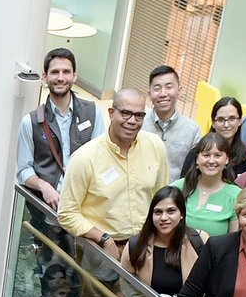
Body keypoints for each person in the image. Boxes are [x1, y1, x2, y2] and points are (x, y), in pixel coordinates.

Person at [58, 89, 168, 247]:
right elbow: (67, 213)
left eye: (139, 115)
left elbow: (161, 197)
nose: (132, 121)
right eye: (125, 113)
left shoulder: (155, 146)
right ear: (111, 113)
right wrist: (103, 239)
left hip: (145, 246)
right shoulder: (85, 158)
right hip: (101, 250)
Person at [15, 46, 99, 211]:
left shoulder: (93, 112)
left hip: (84, 209)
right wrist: (43, 186)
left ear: (74, 76)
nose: (61, 77)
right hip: (46, 209)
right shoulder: (30, 122)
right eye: (55, 72)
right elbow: (24, 171)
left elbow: (101, 160)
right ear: (45, 77)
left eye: (66, 72)